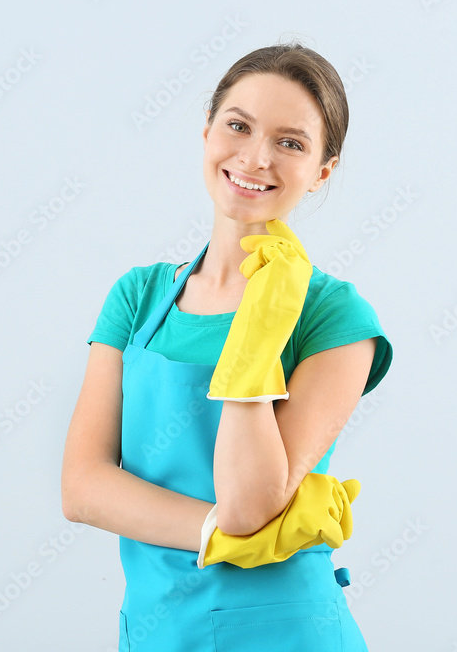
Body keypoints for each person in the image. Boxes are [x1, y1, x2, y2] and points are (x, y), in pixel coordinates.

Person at [61, 42, 393, 651]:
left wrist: (262, 328)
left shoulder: (334, 317)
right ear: (207, 132)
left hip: (286, 633)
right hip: (158, 632)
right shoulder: (139, 296)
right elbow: (82, 488)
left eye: (291, 143)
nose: (256, 157)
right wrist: (221, 531)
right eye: (239, 126)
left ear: (322, 171)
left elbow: (248, 505)